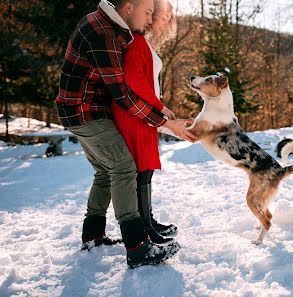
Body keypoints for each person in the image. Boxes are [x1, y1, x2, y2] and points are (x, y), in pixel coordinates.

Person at [55, 0, 196, 268]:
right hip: (85, 112)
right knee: (122, 168)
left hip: (81, 110)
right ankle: (137, 247)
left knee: (105, 172)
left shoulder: (110, 26)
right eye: (147, 13)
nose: (149, 20)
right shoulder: (104, 33)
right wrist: (164, 122)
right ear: (129, 8)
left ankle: (93, 235)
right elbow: (122, 94)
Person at [111, 0, 179, 245]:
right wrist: (159, 107)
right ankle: (144, 228)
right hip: (137, 114)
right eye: (163, 16)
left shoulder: (143, 41)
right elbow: (135, 79)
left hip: (145, 113)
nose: (165, 22)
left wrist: (159, 106)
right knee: (141, 170)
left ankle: (147, 221)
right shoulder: (137, 40)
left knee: (146, 170)